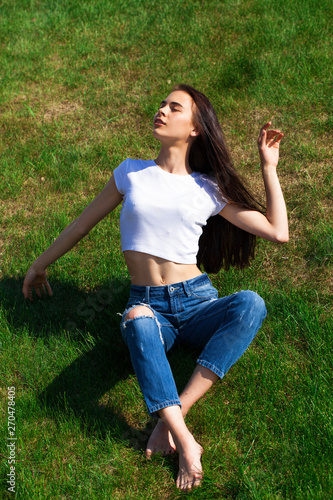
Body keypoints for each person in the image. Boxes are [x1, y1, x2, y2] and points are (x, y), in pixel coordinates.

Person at [22, 84, 288, 491]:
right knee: (137, 319)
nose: (161, 109)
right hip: (148, 303)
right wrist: (39, 266)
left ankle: (173, 412)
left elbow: (277, 231)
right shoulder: (131, 172)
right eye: (161, 103)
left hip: (198, 302)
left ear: (196, 128)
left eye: (174, 107)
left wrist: (268, 167)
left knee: (251, 303)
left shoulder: (208, 187)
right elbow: (81, 224)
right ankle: (183, 437)